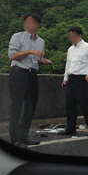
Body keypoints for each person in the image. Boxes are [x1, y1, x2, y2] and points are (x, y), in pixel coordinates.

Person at [8, 13, 52, 149]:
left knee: (30, 106)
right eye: (27, 21)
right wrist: (31, 51)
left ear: (37, 24)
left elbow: (36, 59)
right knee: (16, 106)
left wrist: (42, 61)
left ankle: (24, 135)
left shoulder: (41, 41)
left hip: (32, 74)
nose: (29, 24)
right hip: (19, 73)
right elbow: (12, 56)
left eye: (32, 22)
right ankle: (15, 139)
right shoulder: (17, 37)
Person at [59, 27, 88, 137]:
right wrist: (65, 78)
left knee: (85, 104)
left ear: (79, 35)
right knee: (70, 105)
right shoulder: (70, 49)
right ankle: (70, 128)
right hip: (71, 78)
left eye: (73, 36)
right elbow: (68, 64)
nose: (71, 38)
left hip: (82, 78)